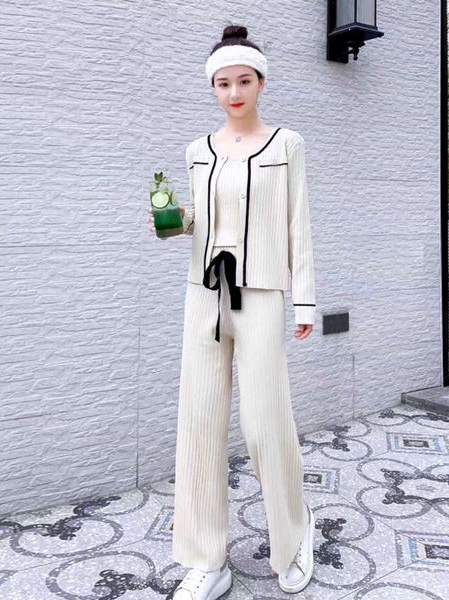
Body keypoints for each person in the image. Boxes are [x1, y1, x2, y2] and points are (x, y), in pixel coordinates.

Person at [148, 23, 317, 600]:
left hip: (261, 293)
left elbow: (297, 225)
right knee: (199, 423)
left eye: (244, 80)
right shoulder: (198, 150)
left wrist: (304, 297)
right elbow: (203, 216)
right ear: (213, 88)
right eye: (223, 83)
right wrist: (174, 221)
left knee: (265, 423)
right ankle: (206, 559)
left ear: (261, 82)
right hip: (204, 292)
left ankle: (293, 535)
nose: (234, 92)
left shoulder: (287, 144)